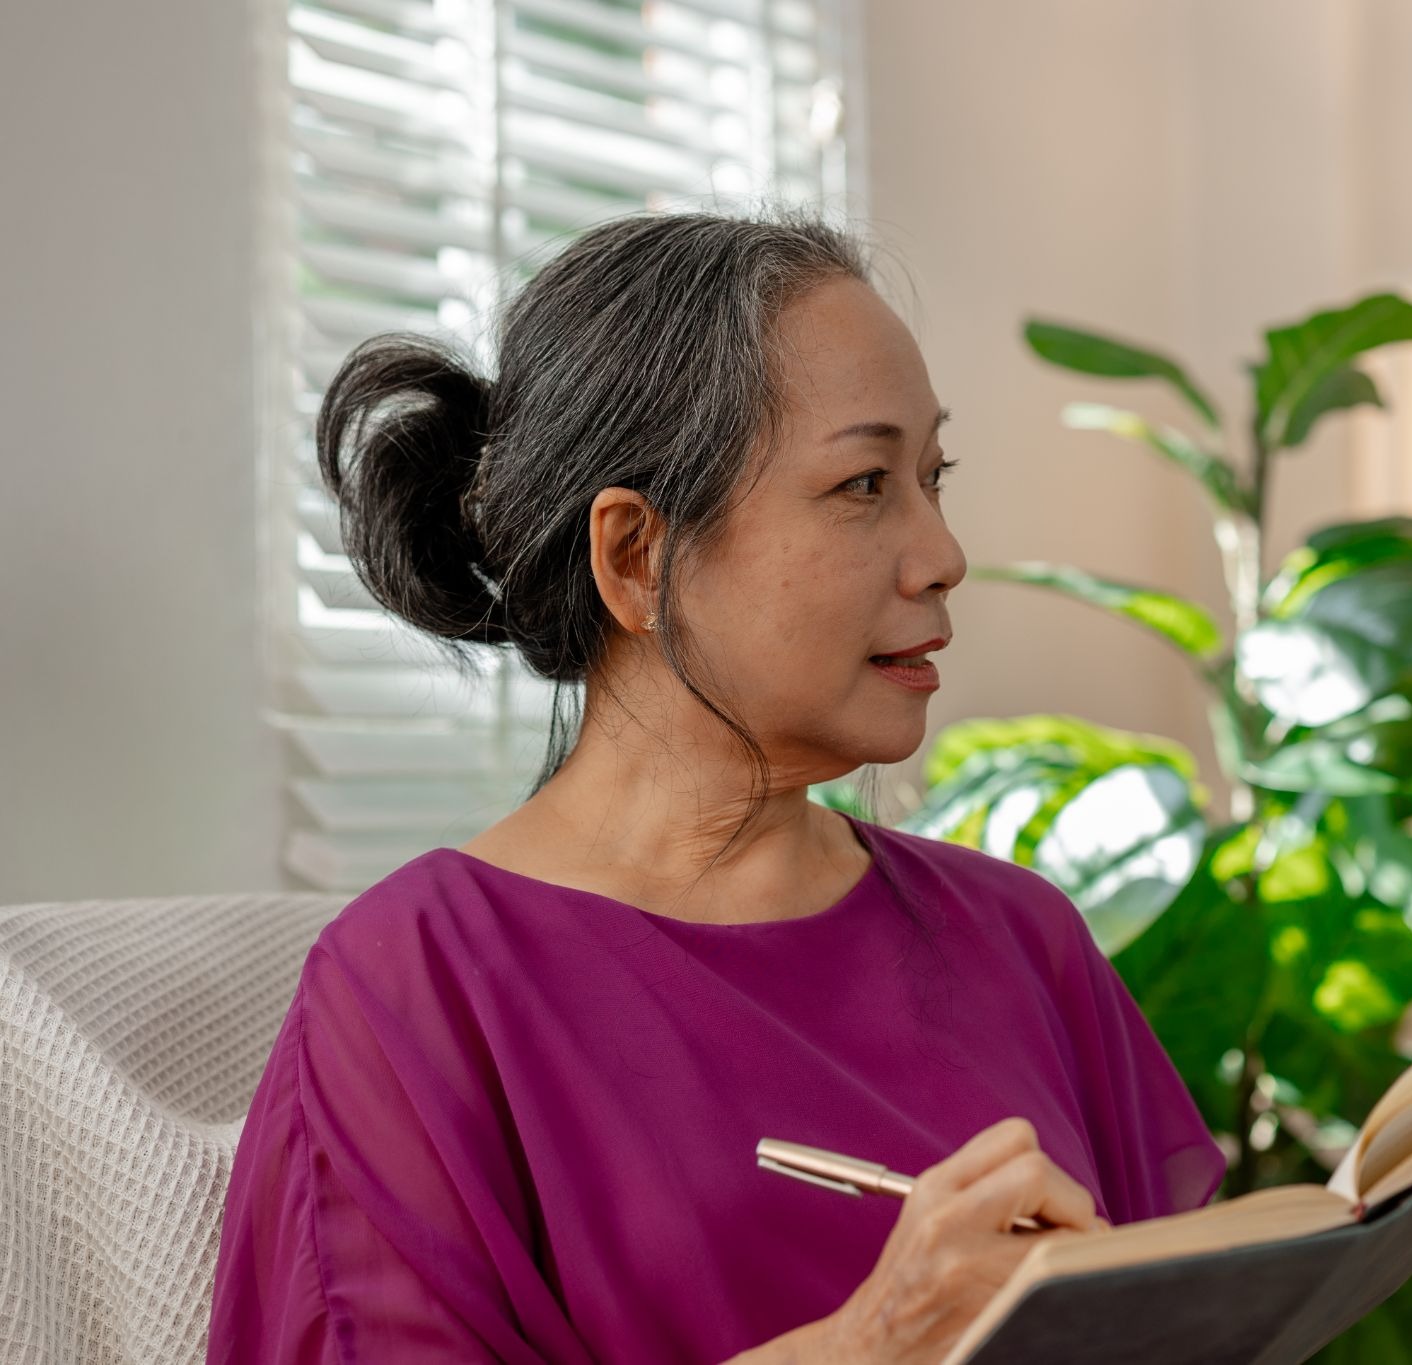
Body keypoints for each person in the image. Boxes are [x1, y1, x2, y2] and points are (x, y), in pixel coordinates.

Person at [206, 205, 1228, 1364]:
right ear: (637, 555)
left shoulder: (1018, 936)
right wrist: (867, 1345)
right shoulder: (420, 985)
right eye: (861, 485)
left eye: (933, 477)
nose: (941, 554)